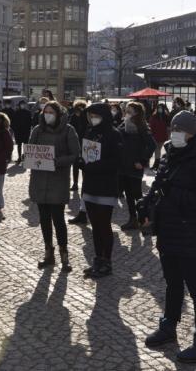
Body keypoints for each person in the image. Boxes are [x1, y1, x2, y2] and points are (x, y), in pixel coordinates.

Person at [142, 110, 196, 363]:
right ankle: (168, 326)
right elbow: (159, 185)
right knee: (172, 283)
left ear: (191, 132)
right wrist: (147, 202)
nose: (174, 134)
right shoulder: (169, 153)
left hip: (192, 231)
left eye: (180, 131)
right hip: (168, 229)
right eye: (173, 130)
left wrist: (171, 193)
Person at [29, 100, 80, 271]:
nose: (48, 114)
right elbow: (31, 151)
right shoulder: (37, 130)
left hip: (58, 180)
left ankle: (64, 254)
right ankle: (48, 253)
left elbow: (75, 154)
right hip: (39, 179)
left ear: (58, 113)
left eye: (51, 112)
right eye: (45, 112)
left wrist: (56, 161)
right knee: (44, 219)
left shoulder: (68, 130)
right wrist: (29, 159)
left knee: (58, 219)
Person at [80, 102, 123, 278]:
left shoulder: (114, 134)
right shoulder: (90, 132)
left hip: (106, 186)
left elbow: (117, 161)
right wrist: (81, 162)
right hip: (90, 184)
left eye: (95, 116)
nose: (92, 119)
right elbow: (85, 153)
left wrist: (95, 166)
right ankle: (98, 259)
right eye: (90, 116)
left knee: (104, 225)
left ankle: (107, 262)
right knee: (95, 225)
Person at [117, 102, 156, 230]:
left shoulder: (142, 126)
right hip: (123, 165)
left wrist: (142, 161)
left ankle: (144, 219)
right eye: (126, 110)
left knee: (137, 195)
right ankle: (132, 219)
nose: (126, 113)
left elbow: (152, 145)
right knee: (128, 195)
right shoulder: (123, 124)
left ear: (137, 113)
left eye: (129, 111)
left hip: (135, 166)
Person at [68, 100, 88, 193]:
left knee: (85, 164)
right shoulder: (72, 117)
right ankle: (75, 183)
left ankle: (85, 183)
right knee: (75, 164)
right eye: (78, 109)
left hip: (86, 142)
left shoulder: (87, 117)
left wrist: (83, 116)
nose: (79, 111)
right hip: (75, 142)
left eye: (81, 109)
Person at [148, 103, 169, 170]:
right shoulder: (154, 116)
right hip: (155, 135)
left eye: (161, 108)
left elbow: (168, 127)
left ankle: (156, 164)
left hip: (162, 135)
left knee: (158, 149)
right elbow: (151, 125)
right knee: (157, 149)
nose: (160, 109)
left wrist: (168, 135)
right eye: (159, 108)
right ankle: (156, 164)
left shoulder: (166, 117)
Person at [11, 100, 33, 164]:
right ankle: (19, 158)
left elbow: (30, 122)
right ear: (19, 105)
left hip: (26, 132)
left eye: (23, 104)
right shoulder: (16, 112)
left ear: (25, 105)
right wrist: (15, 130)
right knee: (19, 145)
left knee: (26, 145)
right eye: (21, 104)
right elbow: (13, 122)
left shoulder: (28, 112)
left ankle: (25, 158)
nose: (22, 105)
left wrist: (29, 130)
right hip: (18, 132)